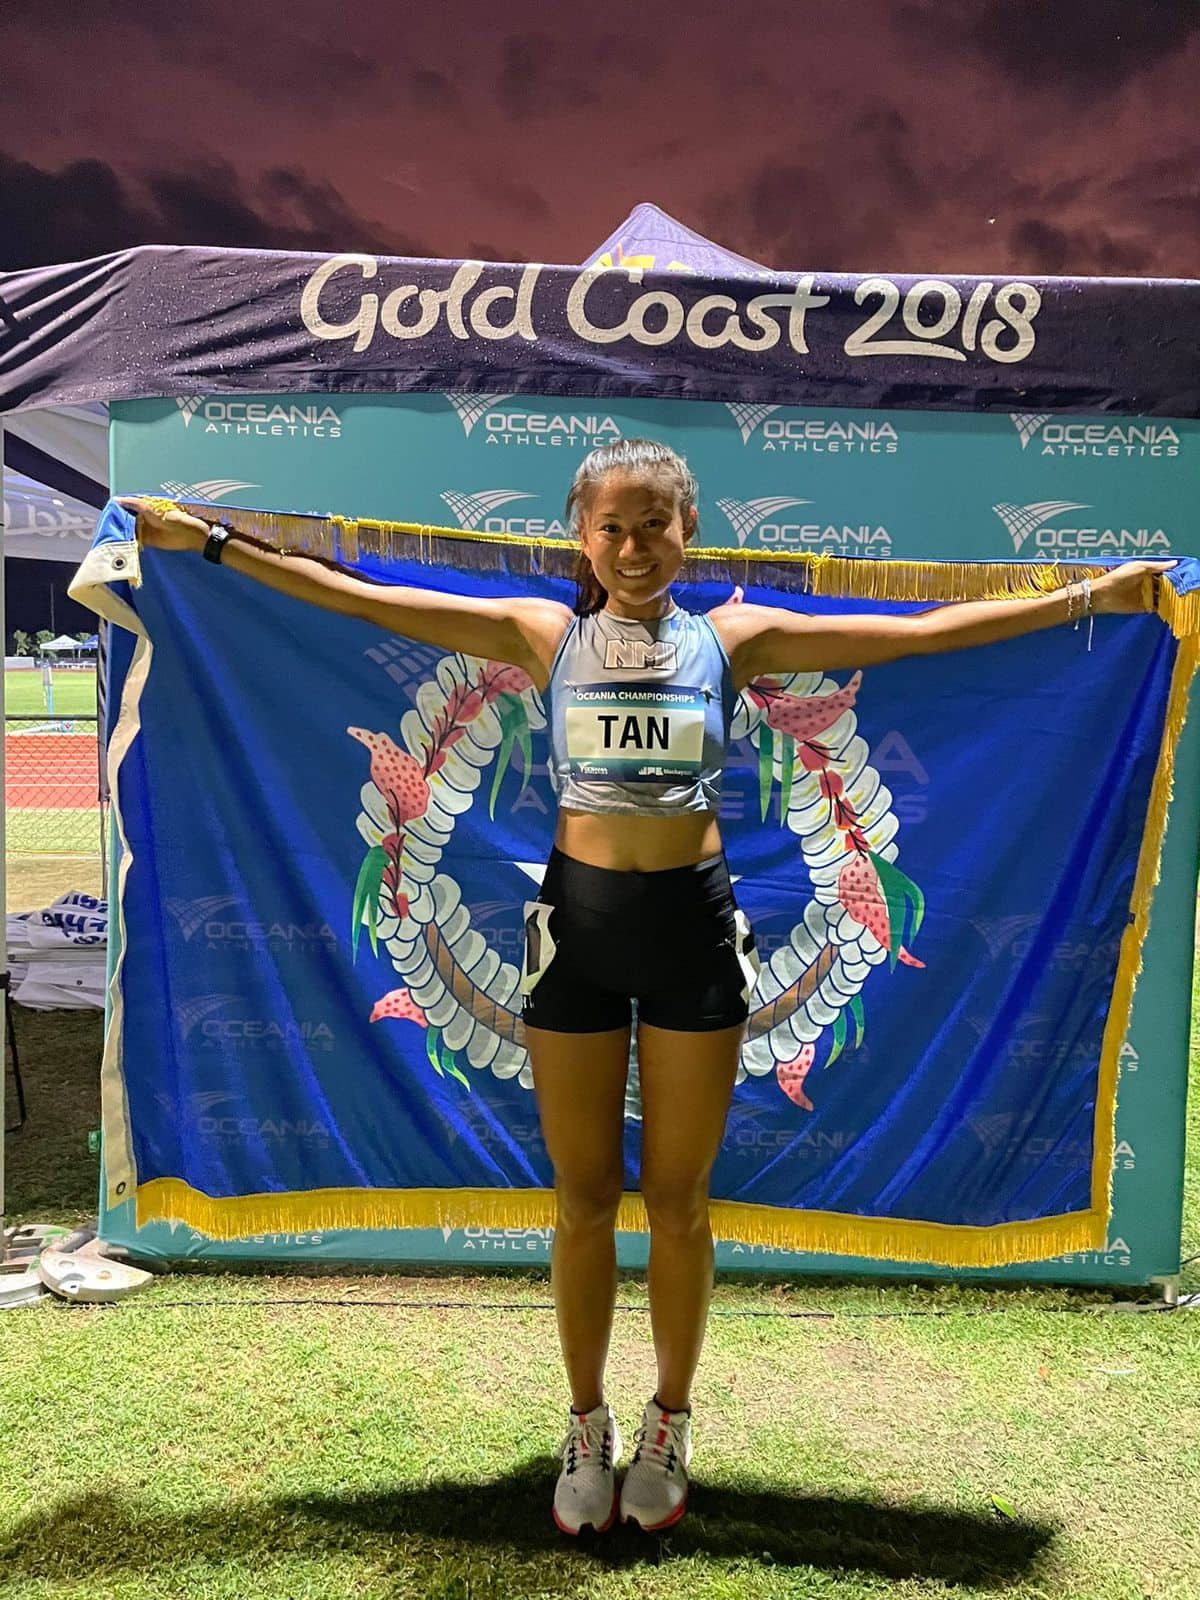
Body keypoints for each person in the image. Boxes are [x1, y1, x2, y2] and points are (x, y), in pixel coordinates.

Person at [121, 439, 1164, 1536]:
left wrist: (1083, 599)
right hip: (577, 929)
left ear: (687, 531)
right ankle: (585, 1422)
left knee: (678, 1202)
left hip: (693, 932)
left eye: (654, 523)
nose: (632, 546)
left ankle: (669, 1417)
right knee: (580, 1201)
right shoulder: (541, 635)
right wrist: (223, 549)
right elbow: (356, 599)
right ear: (582, 536)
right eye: (612, 526)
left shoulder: (737, 639)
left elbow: (922, 632)